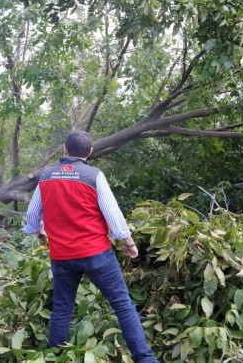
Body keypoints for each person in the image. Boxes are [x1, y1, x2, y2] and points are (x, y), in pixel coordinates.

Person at [22, 130, 159, 363]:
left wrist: (39, 233)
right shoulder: (93, 175)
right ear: (90, 153)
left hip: (62, 256)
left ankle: (55, 358)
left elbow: (33, 215)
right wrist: (128, 243)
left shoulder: (46, 177)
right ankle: (146, 360)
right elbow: (113, 214)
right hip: (96, 254)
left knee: (62, 309)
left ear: (65, 150)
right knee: (123, 305)